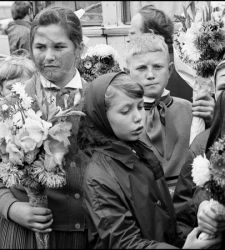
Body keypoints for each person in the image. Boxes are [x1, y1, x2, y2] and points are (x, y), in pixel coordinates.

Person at [78, 71, 220, 249]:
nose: (138, 117)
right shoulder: (99, 176)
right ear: (101, 116)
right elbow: (123, 242)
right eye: (125, 111)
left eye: (139, 107)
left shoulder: (138, 151)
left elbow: (164, 220)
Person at [0, 6, 89, 249]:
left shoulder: (99, 99)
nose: (48, 56)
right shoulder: (12, 103)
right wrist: (11, 206)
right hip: (26, 232)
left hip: (87, 232)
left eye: (59, 47)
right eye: (40, 47)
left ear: (79, 49)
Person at [126, 32, 214, 196]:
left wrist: (212, 121)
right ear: (127, 72)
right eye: (141, 68)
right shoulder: (123, 115)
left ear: (170, 69)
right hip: (142, 201)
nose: (151, 75)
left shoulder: (190, 109)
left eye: (158, 67)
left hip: (187, 201)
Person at [173, 60, 225, 243]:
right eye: (224, 88)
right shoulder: (202, 143)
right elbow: (181, 211)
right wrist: (202, 207)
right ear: (214, 93)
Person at [128, 4, 193, 102]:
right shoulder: (184, 63)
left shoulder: (173, 73)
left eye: (133, 33)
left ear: (149, 34)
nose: (128, 39)